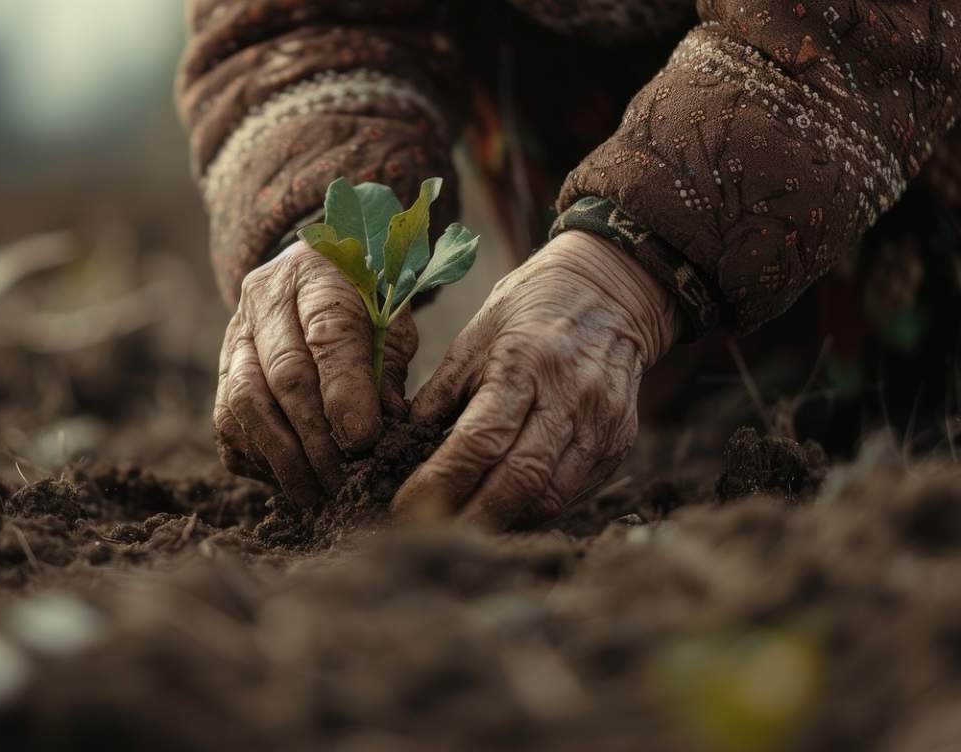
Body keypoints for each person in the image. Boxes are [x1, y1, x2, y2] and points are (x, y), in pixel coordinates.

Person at [177, 0, 961, 529]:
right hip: (710, 355)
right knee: (731, 442)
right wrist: (324, 227)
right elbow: (303, 18)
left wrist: (633, 264)